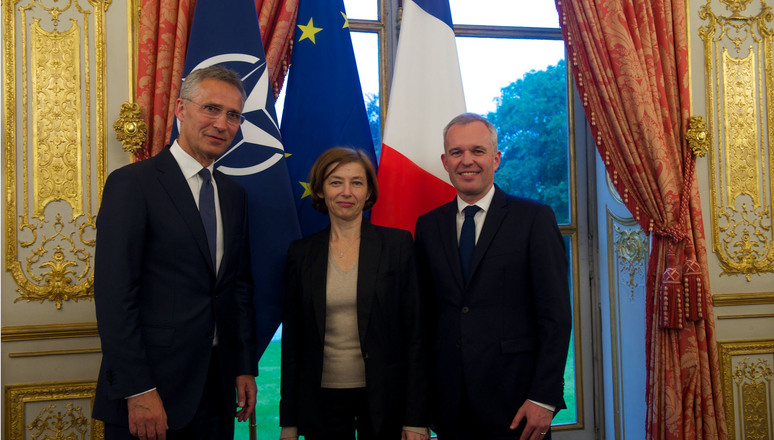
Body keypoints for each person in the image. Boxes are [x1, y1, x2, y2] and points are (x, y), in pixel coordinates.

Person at [93, 65, 258, 440]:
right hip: (151, 394)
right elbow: (115, 296)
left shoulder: (234, 196)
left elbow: (238, 289)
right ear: (181, 109)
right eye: (211, 109)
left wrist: (243, 367)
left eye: (233, 115)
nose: (221, 123)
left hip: (216, 391)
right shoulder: (133, 184)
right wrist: (138, 389)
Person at [414, 113, 572, 440]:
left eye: (478, 151)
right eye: (456, 152)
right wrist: (422, 403)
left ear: (496, 158)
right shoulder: (428, 226)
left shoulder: (534, 219)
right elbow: (424, 319)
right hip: (449, 407)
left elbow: (555, 317)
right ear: (445, 161)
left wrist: (544, 397)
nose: (467, 161)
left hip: (518, 405)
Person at [279, 147, 428, 440]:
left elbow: (416, 337)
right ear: (320, 190)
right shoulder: (301, 254)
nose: (346, 192)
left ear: (369, 191)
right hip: (321, 403)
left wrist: (415, 418)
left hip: (386, 401)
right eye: (336, 182)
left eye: (357, 182)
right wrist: (289, 421)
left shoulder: (398, 246)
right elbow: (293, 343)